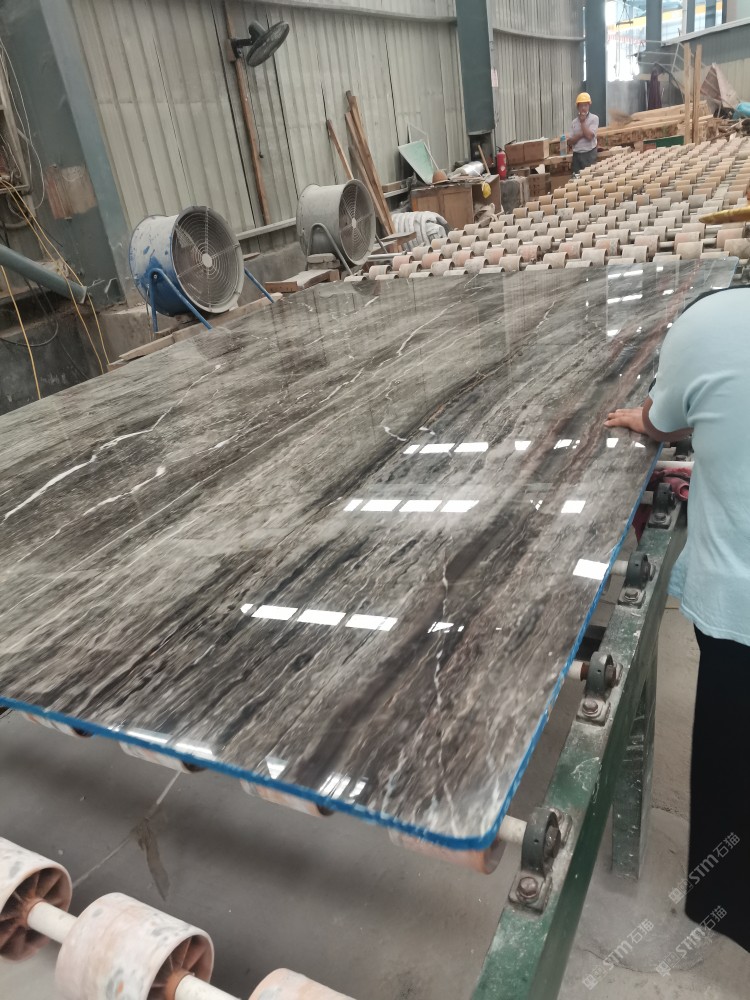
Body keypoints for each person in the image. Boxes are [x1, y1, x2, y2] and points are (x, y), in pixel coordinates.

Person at [605, 286, 750, 953]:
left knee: (733, 760)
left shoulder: (711, 320)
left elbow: (663, 419)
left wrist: (643, 418)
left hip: (739, 609)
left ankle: (729, 906)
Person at [570, 92, 599, 175]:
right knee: (576, 178)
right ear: (577, 107)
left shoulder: (594, 118)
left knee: (589, 178)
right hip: (577, 155)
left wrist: (582, 122)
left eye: (585, 105)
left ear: (589, 105)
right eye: (581, 106)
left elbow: (589, 136)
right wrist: (582, 134)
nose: (583, 108)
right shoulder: (574, 122)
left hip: (589, 154)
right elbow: (571, 141)